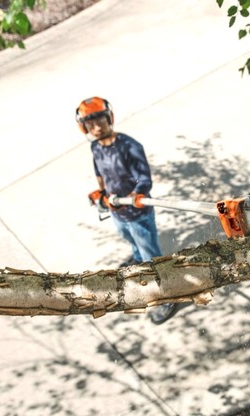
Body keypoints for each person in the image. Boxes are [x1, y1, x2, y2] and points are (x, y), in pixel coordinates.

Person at [76, 96, 179, 324]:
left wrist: (135, 196)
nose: (97, 127)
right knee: (127, 236)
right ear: (84, 127)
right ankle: (135, 256)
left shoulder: (130, 146)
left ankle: (168, 295)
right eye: (91, 124)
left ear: (109, 118)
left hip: (137, 214)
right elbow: (100, 173)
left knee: (151, 257)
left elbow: (144, 179)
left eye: (100, 120)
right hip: (117, 211)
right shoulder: (96, 148)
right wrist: (101, 193)